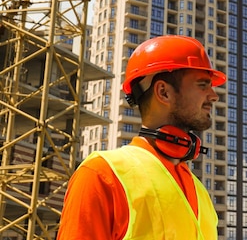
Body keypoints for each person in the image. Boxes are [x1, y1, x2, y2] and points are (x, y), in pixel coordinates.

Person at [58, 35, 226, 240]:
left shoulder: (200, 192)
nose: (214, 95)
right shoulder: (102, 175)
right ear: (164, 92)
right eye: (202, 85)